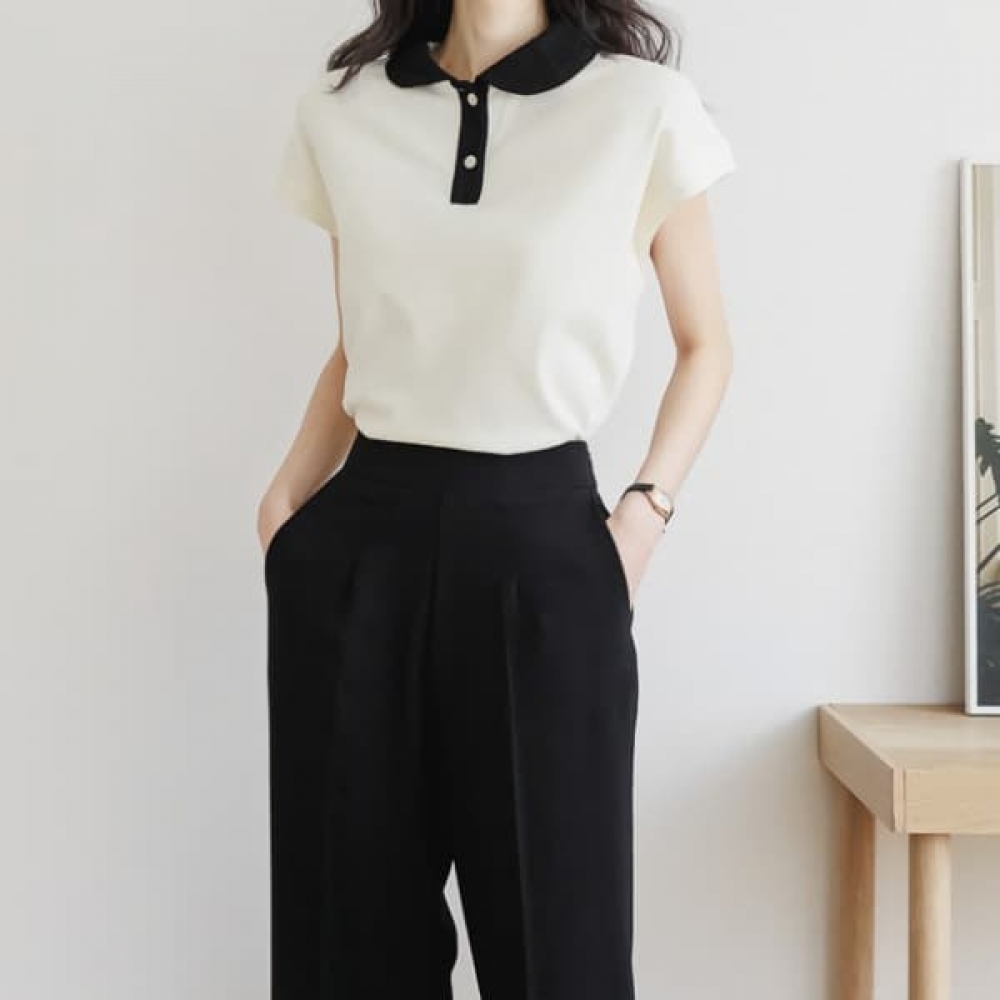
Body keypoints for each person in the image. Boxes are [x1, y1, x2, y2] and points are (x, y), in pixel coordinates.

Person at [258, 1, 736, 997]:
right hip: (361, 545)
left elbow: (707, 346)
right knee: (348, 948)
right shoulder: (344, 111)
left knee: (560, 954)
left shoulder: (641, 107)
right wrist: (285, 508)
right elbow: (357, 345)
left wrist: (640, 519)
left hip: (546, 548)